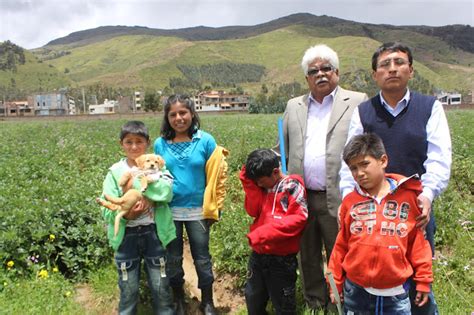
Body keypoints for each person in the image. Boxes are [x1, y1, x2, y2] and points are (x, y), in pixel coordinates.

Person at [339, 42, 452, 314]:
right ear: (375, 74)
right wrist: (348, 202)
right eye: (384, 65)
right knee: (373, 271)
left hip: (415, 209)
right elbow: (349, 162)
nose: (392, 69)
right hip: (369, 211)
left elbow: (439, 157)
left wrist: (426, 196)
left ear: (411, 70)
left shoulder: (429, 107)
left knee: (417, 272)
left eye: (399, 63)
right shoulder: (364, 112)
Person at [276, 43, 368, 311]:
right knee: (308, 253)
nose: (320, 74)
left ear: (336, 71)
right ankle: (315, 301)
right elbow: (284, 146)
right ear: (307, 78)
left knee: (343, 251)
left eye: (326, 68)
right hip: (302, 197)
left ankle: (343, 301)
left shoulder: (357, 100)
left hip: (340, 194)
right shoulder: (294, 106)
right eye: (314, 70)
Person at [328, 133, 433, 314]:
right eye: (353, 168)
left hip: (395, 296)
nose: (359, 173)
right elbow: (341, 246)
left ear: (383, 161)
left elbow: (418, 244)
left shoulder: (408, 199)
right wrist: (335, 282)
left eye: (364, 164)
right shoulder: (349, 202)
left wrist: (423, 280)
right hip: (355, 292)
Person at [99, 120, 176, 315]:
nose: (134, 147)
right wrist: (127, 214)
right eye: (129, 142)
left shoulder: (159, 169)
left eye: (139, 141)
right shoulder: (115, 172)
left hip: (154, 233)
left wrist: (144, 188)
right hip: (126, 236)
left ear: (147, 143)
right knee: (128, 287)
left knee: (160, 284)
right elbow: (106, 209)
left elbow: (166, 194)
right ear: (121, 144)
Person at [154, 95, 220, 315]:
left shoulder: (206, 141)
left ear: (192, 114)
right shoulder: (160, 144)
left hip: (198, 211)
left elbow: (218, 176)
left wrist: (215, 206)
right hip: (169, 211)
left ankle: (208, 301)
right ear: (167, 118)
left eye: (183, 112)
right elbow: (154, 175)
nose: (178, 118)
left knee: (202, 258)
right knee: (173, 258)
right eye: (173, 114)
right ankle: (178, 300)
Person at [239, 149, 308, 315]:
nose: (259, 185)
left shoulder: (292, 186)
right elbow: (253, 211)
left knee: (283, 303)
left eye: (261, 181)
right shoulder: (260, 187)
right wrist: (249, 185)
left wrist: (263, 233)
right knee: (253, 297)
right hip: (258, 255)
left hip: (281, 259)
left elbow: (298, 219)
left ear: (275, 172)